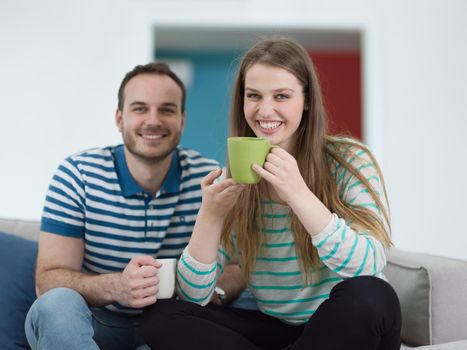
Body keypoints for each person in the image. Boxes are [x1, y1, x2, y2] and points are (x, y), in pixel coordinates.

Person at [140, 38, 402, 349]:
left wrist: (299, 194)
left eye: (281, 96)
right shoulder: (238, 177)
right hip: (279, 329)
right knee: (161, 317)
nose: (265, 110)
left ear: (306, 99)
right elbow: (195, 295)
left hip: (341, 323)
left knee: (372, 295)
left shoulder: (350, 159)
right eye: (253, 96)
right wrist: (210, 215)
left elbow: (368, 265)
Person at [24, 62, 245, 350]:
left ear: (182, 120)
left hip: (169, 326)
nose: (153, 120)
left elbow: (239, 265)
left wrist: (211, 289)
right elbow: (48, 280)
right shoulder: (78, 174)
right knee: (57, 303)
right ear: (119, 118)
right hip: (92, 324)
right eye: (140, 108)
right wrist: (117, 286)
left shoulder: (209, 177)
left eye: (166, 109)